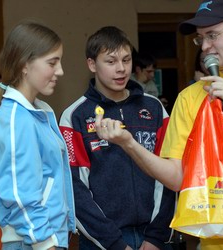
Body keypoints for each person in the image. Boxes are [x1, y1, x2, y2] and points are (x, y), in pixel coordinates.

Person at [93, 0, 223, 249]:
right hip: (216, 243)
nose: (206, 47)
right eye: (200, 38)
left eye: (213, 35)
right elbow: (177, 178)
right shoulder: (190, 97)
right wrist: (129, 144)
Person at [59, 26, 175, 250]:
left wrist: (156, 237)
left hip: (154, 238)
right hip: (102, 241)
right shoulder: (75, 116)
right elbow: (75, 189)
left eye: (126, 60)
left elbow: (171, 174)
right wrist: (114, 244)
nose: (121, 69)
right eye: (111, 62)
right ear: (92, 64)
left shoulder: (155, 109)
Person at [0, 21, 76, 250]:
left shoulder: (38, 111)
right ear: (25, 64)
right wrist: (45, 243)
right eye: (52, 63)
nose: (60, 71)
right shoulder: (16, 118)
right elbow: (19, 195)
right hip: (33, 243)